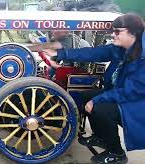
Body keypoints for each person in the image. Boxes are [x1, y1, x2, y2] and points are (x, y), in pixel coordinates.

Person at [43, 13, 145, 163]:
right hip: (119, 93)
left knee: (99, 107)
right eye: (113, 30)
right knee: (82, 97)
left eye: (117, 31)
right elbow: (92, 53)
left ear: (133, 32)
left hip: (136, 105)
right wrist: (60, 53)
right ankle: (101, 137)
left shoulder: (142, 57)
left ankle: (117, 153)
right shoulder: (121, 48)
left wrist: (97, 99)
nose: (113, 34)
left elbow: (130, 92)